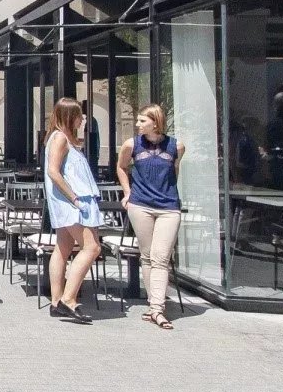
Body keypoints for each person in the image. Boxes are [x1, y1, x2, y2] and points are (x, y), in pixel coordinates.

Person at [117, 104, 184, 330]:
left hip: (169, 207)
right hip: (141, 205)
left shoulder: (176, 146)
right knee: (146, 256)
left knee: (161, 257)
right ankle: (152, 304)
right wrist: (127, 192)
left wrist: (169, 191)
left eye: (142, 120)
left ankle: (157, 308)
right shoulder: (132, 145)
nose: (137, 124)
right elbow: (121, 167)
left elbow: (174, 171)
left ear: (156, 123)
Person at [44, 98, 102, 324]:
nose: (82, 120)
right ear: (70, 117)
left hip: (68, 203)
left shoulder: (63, 138)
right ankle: (68, 299)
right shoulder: (60, 138)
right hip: (73, 204)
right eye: (79, 116)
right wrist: (74, 198)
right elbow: (53, 171)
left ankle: (56, 300)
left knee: (63, 247)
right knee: (92, 247)